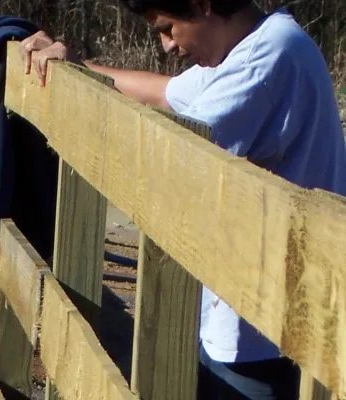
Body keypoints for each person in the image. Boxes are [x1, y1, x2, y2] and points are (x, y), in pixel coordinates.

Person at [18, 0, 345, 398]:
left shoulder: (267, 58)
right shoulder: (253, 47)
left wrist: (74, 118)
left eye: (168, 28)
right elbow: (163, 95)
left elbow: (168, 160)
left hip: (261, 335)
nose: (167, 46)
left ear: (204, 5)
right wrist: (77, 66)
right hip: (240, 313)